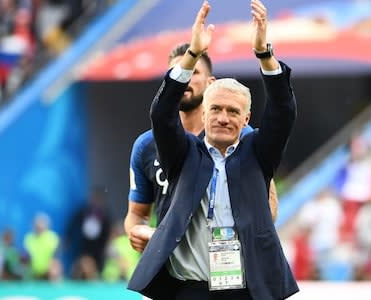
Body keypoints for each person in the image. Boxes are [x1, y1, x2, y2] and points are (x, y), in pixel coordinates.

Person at [127, 1, 299, 299]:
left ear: (246, 119)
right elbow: (162, 114)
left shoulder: (257, 151)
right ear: (204, 115)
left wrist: (263, 53)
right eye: (216, 109)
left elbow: (283, 110)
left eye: (233, 111)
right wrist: (192, 53)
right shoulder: (183, 154)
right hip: (189, 289)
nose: (223, 117)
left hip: (245, 289)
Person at [124, 35, 278, 254]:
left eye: (193, 72)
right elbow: (137, 214)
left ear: (210, 83)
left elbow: (268, 203)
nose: (184, 79)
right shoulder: (147, 145)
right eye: (177, 74)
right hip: (172, 267)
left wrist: (250, 236)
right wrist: (138, 231)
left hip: (228, 263)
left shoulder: (242, 137)